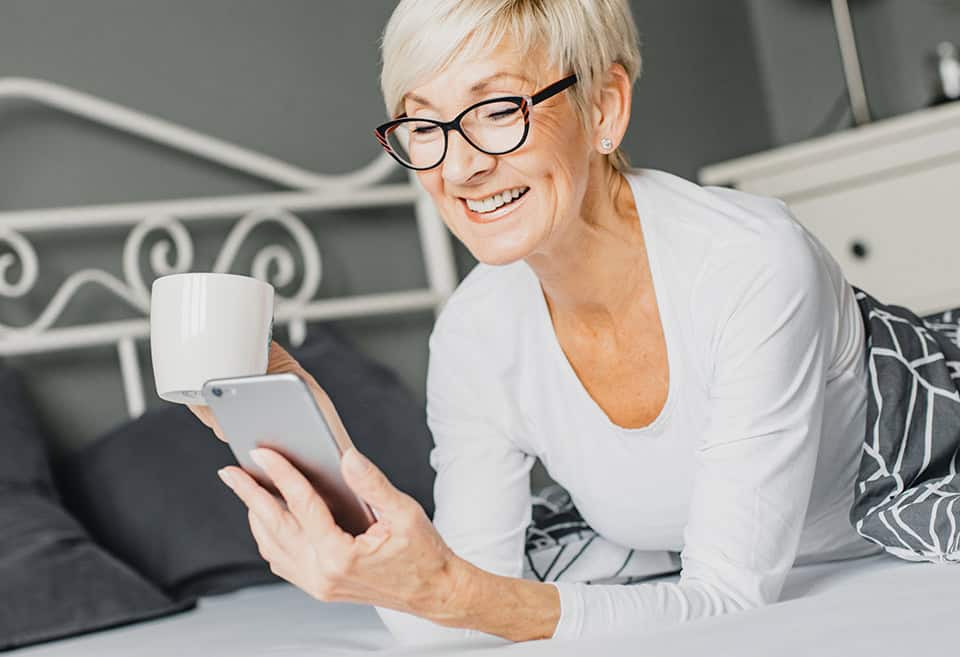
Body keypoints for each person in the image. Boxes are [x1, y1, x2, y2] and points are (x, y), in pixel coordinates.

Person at [192, 0, 883, 646]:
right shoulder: (474, 332)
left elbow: (728, 600)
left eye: (495, 109)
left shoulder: (749, 263)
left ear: (605, 107)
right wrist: (335, 476)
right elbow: (447, 615)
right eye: (424, 125)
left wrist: (458, 593)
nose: (458, 167)